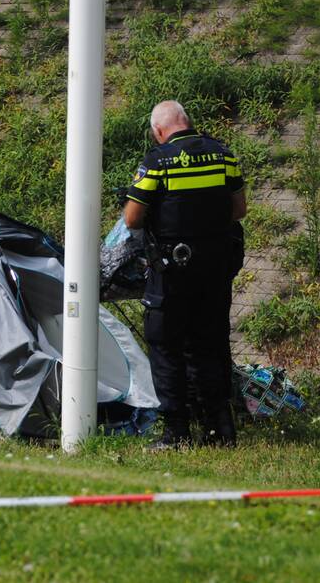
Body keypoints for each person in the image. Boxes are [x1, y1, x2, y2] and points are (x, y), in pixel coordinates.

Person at [123, 100, 246, 449]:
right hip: (216, 269)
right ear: (187, 121)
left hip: (173, 273)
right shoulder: (223, 155)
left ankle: (176, 433)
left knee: (166, 346)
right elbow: (239, 210)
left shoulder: (157, 161)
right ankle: (220, 430)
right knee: (211, 344)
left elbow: (132, 218)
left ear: (158, 131)